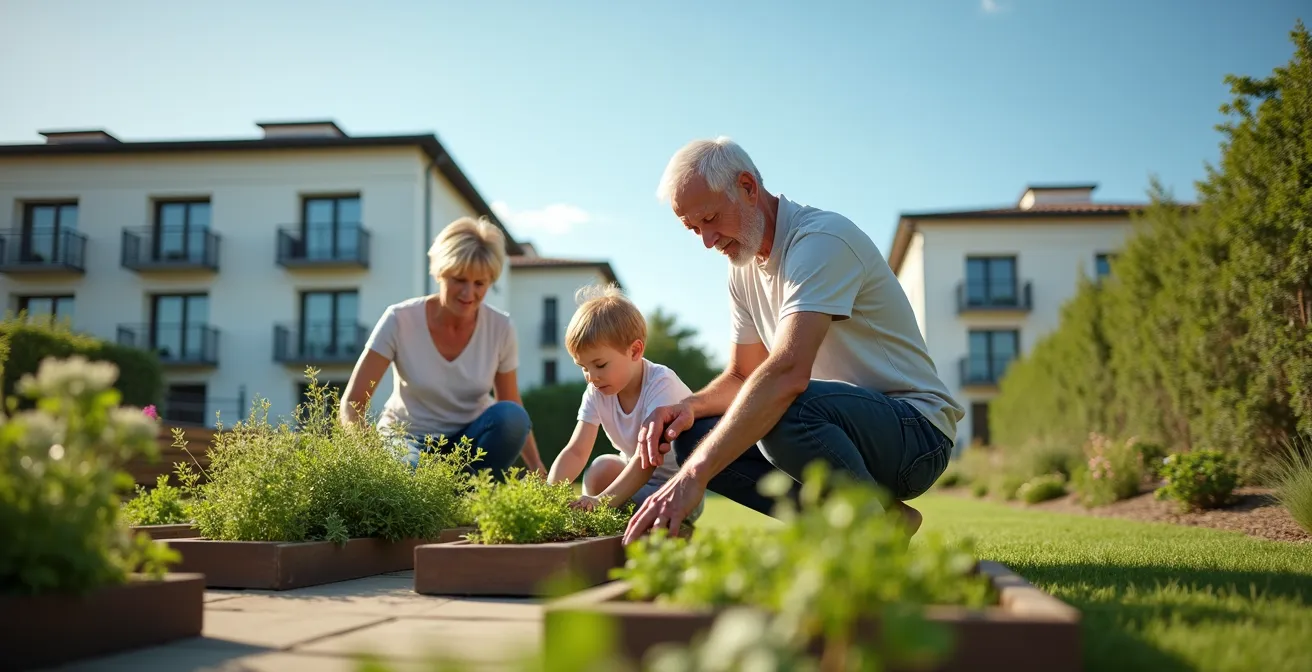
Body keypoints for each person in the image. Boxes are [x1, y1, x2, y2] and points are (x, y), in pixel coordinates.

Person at [623, 137, 964, 544]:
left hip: (914, 434)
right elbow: (741, 376)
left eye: (711, 218)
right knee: (698, 436)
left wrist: (694, 477)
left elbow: (786, 373)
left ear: (748, 187)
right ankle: (881, 520)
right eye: (694, 228)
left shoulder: (822, 240)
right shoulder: (742, 270)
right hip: (832, 427)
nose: (707, 241)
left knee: (782, 405)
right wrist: (686, 407)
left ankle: (872, 538)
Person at [340, 215, 547, 478]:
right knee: (414, 471)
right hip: (407, 440)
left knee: (512, 417)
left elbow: (512, 403)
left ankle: (468, 490)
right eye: (459, 279)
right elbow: (353, 402)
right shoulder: (399, 319)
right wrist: (368, 458)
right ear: (440, 272)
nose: (468, 294)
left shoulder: (501, 328)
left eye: (479, 283)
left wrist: (537, 466)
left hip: (469, 444)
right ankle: (453, 491)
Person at [547, 284, 705, 524]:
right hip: (634, 483)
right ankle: (609, 529)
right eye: (583, 368)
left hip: (678, 491)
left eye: (600, 365)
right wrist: (548, 494)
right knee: (601, 468)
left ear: (635, 351)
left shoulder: (661, 384)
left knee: (606, 500)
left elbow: (646, 462)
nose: (591, 376)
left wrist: (601, 501)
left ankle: (629, 528)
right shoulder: (596, 391)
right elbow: (577, 450)